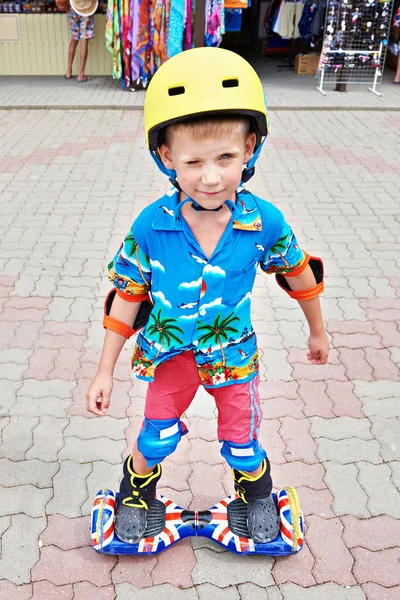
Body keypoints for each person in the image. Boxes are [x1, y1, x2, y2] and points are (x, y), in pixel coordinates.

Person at [86, 47, 330, 545]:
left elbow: (300, 274)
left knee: (242, 439)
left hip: (233, 355)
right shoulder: (150, 227)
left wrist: (318, 329)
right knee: (154, 435)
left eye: (226, 158)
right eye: (193, 162)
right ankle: (136, 493)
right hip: (168, 354)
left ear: (251, 150)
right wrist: (104, 370)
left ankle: (256, 495)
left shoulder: (264, 222)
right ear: (166, 157)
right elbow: (126, 299)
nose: (212, 177)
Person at [64, 0, 96, 82]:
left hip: (73, 7)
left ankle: (68, 71)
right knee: (84, 39)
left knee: (74, 38)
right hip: (86, 9)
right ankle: (81, 74)